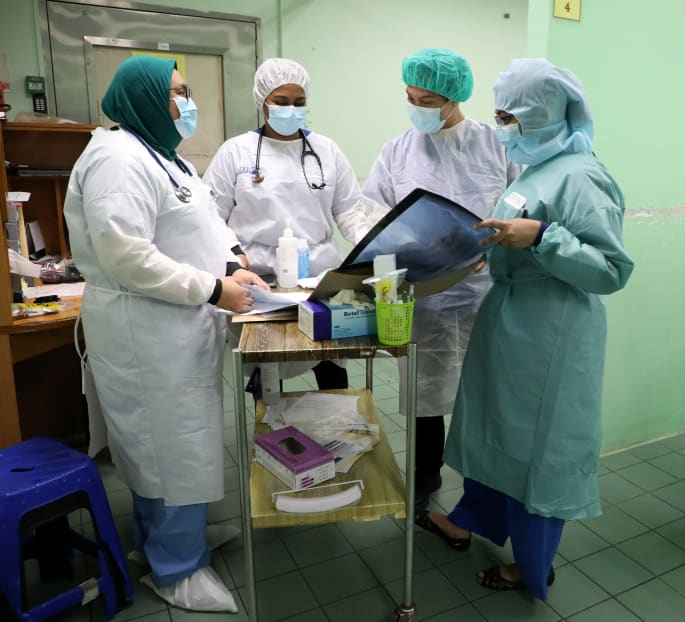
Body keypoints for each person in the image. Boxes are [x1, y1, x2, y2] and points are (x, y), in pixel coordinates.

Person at [415, 58, 635, 600]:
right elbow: (517, 230)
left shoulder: (584, 176)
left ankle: (530, 568)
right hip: (509, 319)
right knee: (494, 434)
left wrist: (540, 239)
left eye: (508, 116)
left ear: (539, 115)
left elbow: (610, 270)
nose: (501, 127)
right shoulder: (536, 169)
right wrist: (482, 247)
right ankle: (470, 520)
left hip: (551, 335)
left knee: (537, 450)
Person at [63, 55, 269, 613]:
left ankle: (170, 541)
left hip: (179, 324)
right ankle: (175, 569)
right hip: (146, 329)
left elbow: (203, 222)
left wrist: (232, 263)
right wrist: (211, 288)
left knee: (177, 441)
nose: (187, 103)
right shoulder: (116, 158)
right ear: (146, 98)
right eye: (177, 92)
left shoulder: (165, 156)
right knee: (166, 445)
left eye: (187, 91)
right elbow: (126, 256)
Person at [362, 48, 521, 508]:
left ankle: (483, 486)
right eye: (410, 97)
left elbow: (521, 209)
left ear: (454, 98)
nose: (417, 107)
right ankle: (424, 479)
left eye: (428, 100)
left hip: (482, 294)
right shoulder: (397, 149)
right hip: (424, 297)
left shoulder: (496, 146)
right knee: (424, 395)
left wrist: (489, 248)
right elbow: (372, 214)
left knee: (484, 394)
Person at [204, 58, 378, 390]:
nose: (291, 110)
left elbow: (350, 214)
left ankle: (336, 432)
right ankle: (269, 434)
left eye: (299, 103)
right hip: (260, 283)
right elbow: (211, 217)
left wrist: (376, 249)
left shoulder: (327, 150)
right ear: (262, 102)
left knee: (329, 365)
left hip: (319, 280)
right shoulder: (235, 152)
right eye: (281, 102)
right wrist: (232, 257)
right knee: (267, 373)